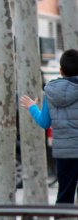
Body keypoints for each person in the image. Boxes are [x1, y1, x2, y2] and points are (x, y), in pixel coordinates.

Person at [20, 48, 78, 204]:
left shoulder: (50, 92)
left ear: (60, 70)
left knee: (64, 196)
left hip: (64, 155)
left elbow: (44, 123)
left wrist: (32, 107)